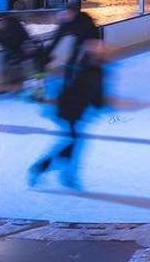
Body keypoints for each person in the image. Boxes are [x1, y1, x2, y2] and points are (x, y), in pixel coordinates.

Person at [28, 39, 106, 188]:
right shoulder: (89, 70)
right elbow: (91, 93)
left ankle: (58, 172)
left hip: (73, 111)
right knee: (73, 142)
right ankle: (46, 169)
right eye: (100, 51)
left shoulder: (88, 69)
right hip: (71, 111)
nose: (103, 53)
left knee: (74, 142)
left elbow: (94, 93)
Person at [46, 1, 101, 84]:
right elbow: (56, 39)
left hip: (91, 37)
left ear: (75, 13)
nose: (67, 15)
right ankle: (68, 81)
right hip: (79, 37)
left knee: (86, 60)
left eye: (70, 13)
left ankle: (87, 80)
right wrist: (47, 54)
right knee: (72, 60)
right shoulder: (65, 22)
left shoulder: (84, 19)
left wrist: (90, 49)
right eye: (66, 13)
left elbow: (87, 39)